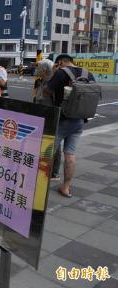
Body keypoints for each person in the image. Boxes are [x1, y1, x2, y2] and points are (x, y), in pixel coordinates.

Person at [46, 54, 95, 198]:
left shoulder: (60, 72)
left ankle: (36, 185)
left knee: (47, 153)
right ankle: (66, 187)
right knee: (70, 154)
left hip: (62, 119)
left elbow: (46, 91)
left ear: (60, 62)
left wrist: (53, 73)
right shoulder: (88, 73)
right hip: (80, 120)